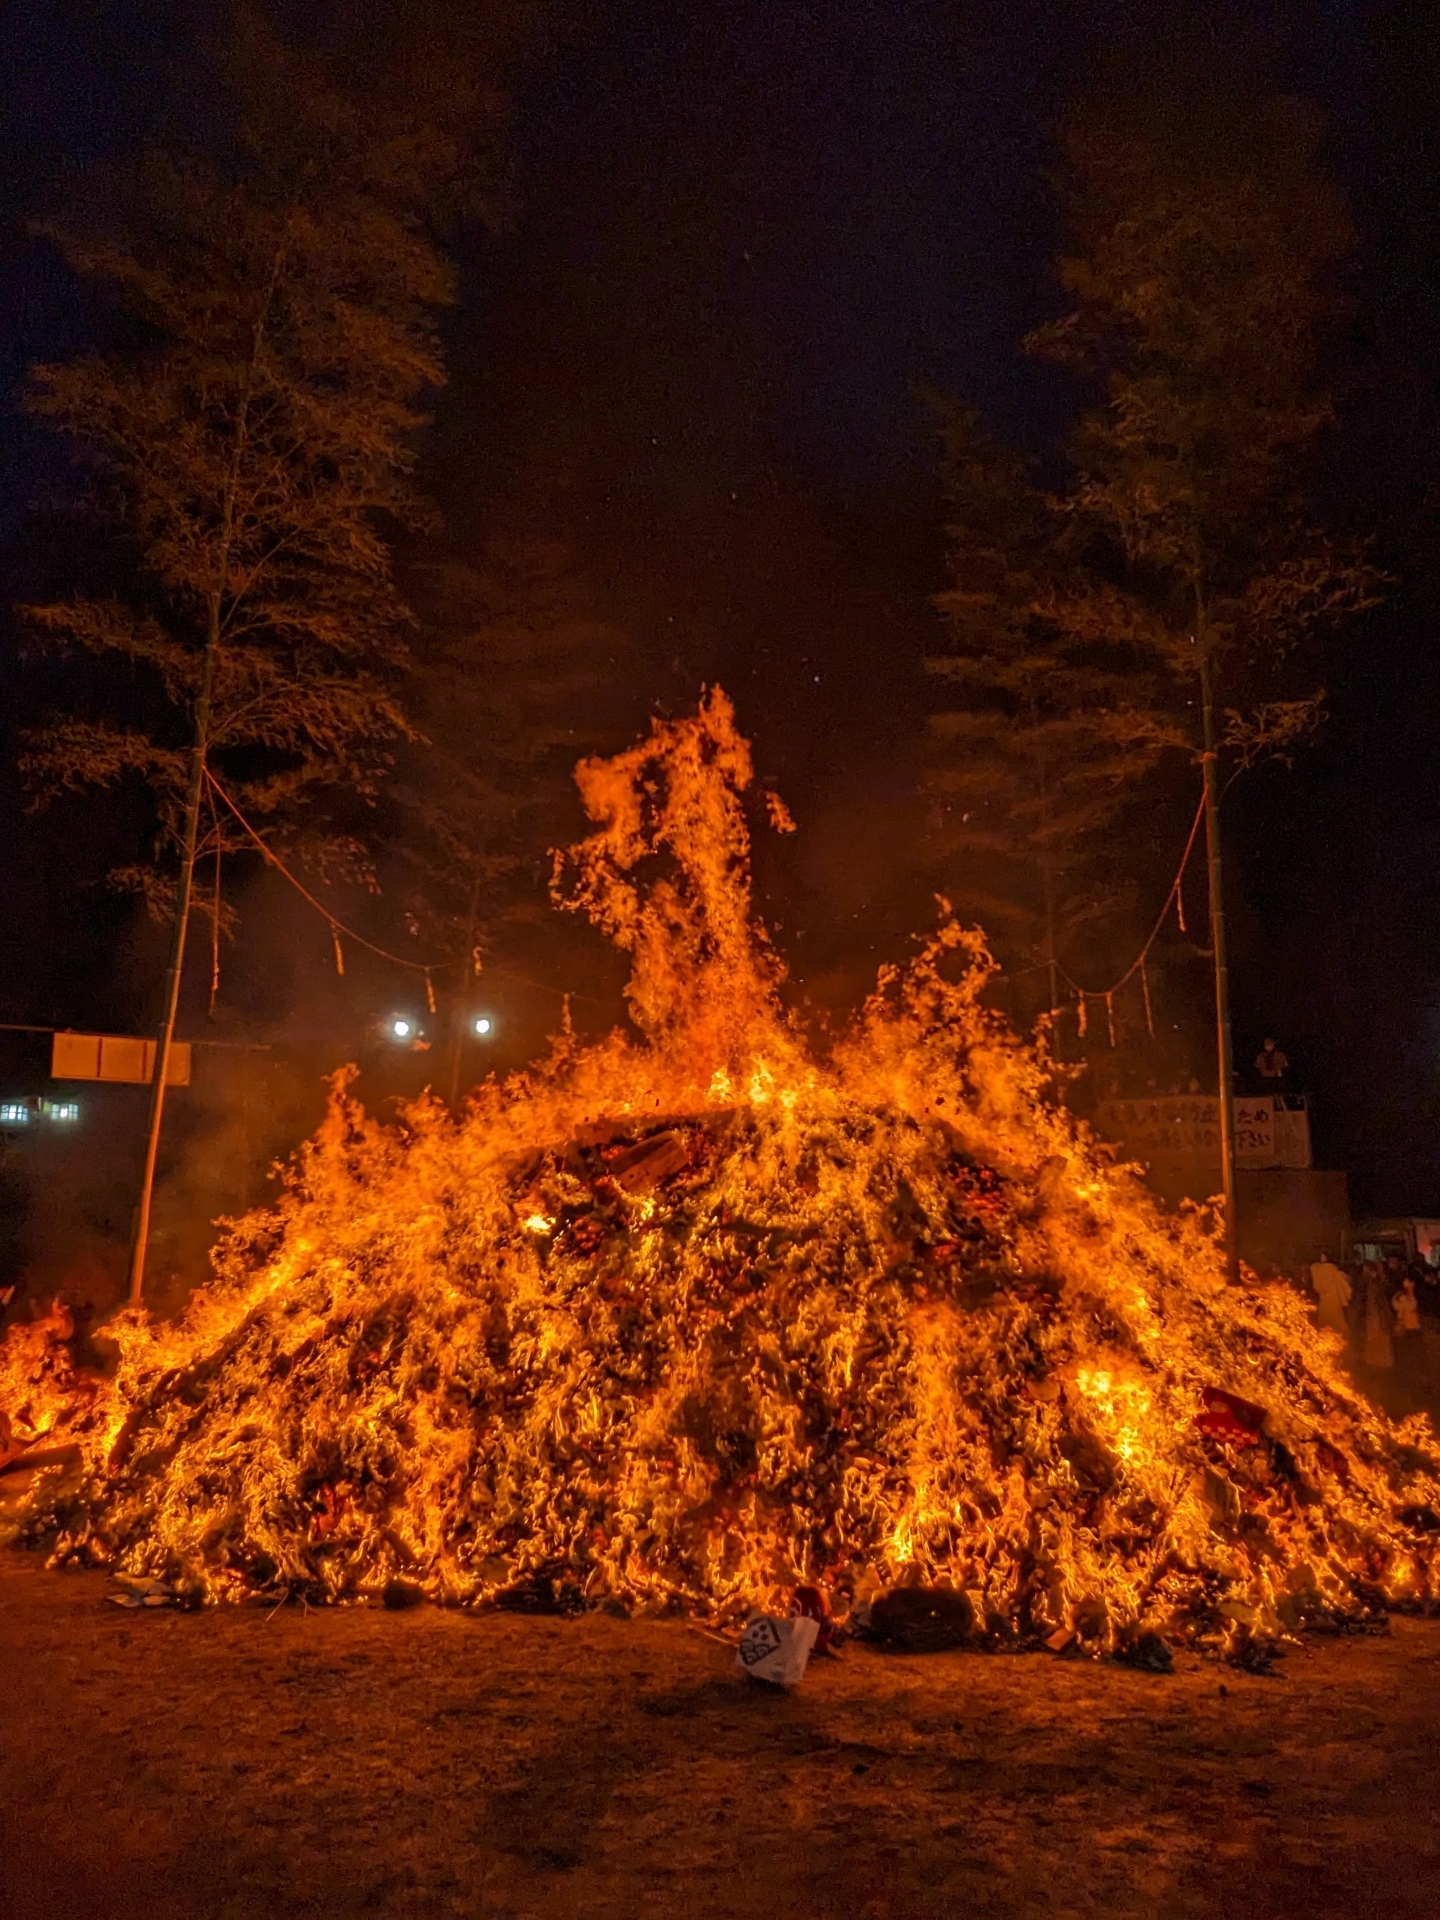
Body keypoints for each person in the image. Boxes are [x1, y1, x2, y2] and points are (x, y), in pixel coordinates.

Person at [1308, 1253, 1352, 1338]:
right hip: (1332, 1297)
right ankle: (1336, 1332)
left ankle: (1329, 1333)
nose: (1321, 1258)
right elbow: (1344, 1278)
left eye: (1322, 1256)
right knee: (1332, 1315)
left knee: (1327, 1316)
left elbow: (1317, 1283)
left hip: (1327, 1297)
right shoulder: (1333, 1269)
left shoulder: (1319, 1269)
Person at [1361, 1262, 1395, 1371]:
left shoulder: (1378, 1284)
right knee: (1374, 1339)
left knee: (1380, 1339)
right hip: (1372, 1315)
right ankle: (1376, 1361)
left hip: (1378, 1316)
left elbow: (1381, 1300)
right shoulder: (1371, 1283)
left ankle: (1382, 1362)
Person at [1393, 1274, 1423, 1387]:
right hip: (1407, 1327)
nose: (1413, 1285)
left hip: (1413, 1326)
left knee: (1414, 1351)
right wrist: (1401, 1321)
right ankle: (1406, 1378)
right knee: (1407, 1351)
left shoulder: (1411, 1295)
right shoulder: (1403, 1297)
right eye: (1411, 1283)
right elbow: (1401, 1309)